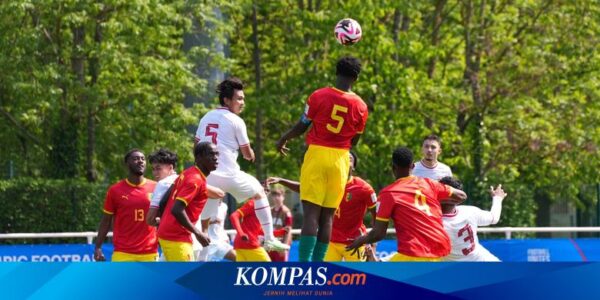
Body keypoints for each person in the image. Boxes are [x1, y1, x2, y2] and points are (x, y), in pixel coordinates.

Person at [276, 56, 368, 261]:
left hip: (317, 153)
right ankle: (318, 265)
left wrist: (284, 138)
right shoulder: (361, 106)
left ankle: (304, 265)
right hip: (341, 159)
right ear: (357, 77)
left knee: (311, 214)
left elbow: (302, 126)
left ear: (336, 72)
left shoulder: (319, 95)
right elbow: (356, 141)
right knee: (327, 217)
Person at [195, 77, 289, 253]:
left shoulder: (206, 117)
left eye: (243, 98)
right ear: (226, 100)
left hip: (208, 177)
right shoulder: (235, 120)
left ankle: (201, 263)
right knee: (259, 193)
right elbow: (247, 154)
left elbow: (196, 145)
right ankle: (269, 239)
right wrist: (251, 155)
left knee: (206, 225)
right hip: (230, 175)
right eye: (239, 98)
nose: (242, 102)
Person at [346, 147, 467, 262]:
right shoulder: (430, 184)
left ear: (393, 167)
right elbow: (462, 195)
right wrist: (435, 205)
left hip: (415, 252)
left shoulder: (388, 193)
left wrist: (360, 240)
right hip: (441, 247)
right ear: (413, 166)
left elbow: (378, 233)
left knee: (382, 278)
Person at [267, 152, 377, 262]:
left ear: (353, 167)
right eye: (343, 158)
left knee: (361, 278)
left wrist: (372, 243)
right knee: (327, 276)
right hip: (331, 242)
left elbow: (376, 217)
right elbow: (306, 188)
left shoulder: (364, 188)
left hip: (355, 242)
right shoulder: (328, 183)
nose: (345, 160)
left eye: (349, 159)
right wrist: (282, 180)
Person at [145, 148, 225, 261]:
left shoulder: (165, 183)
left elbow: (150, 219)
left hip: (180, 239)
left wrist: (161, 220)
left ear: (171, 167)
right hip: (192, 239)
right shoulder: (185, 176)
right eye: (153, 169)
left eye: (158, 168)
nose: (155, 173)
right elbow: (219, 193)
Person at [94, 149, 158, 262]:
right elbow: (106, 221)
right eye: (136, 159)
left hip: (149, 252)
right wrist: (98, 247)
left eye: (143, 159)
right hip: (123, 253)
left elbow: (165, 216)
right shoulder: (115, 190)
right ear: (127, 164)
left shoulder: (156, 187)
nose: (140, 161)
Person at [440, 176, 506, 262]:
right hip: (481, 259)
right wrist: (497, 198)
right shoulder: (469, 211)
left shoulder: (433, 222)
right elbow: (494, 218)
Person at [266, 187, 293, 262]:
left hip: (281, 244)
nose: (276, 198)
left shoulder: (286, 212)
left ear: (283, 197)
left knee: (281, 268)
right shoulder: (269, 211)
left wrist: (285, 246)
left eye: (279, 195)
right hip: (270, 243)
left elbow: (288, 230)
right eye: (274, 195)